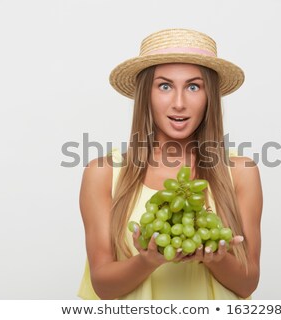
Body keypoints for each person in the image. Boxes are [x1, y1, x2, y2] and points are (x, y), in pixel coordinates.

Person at [77, 28, 263, 300]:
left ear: (209, 96)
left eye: (193, 86)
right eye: (164, 86)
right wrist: (149, 260)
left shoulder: (241, 172)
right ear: (146, 96)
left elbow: (248, 283)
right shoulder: (103, 173)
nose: (179, 103)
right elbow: (103, 286)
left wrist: (215, 257)